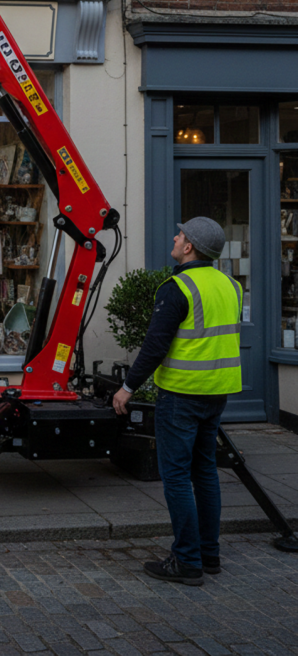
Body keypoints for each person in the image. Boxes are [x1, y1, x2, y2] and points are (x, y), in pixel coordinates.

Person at [112, 216, 242, 585]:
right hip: (218, 392)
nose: (175, 236)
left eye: (181, 234)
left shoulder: (177, 287)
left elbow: (155, 345)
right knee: (205, 472)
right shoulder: (230, 285)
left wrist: (128, 387)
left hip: (182, 394)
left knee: (177, 478)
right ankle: (208, 554)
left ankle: (186, 560)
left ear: (190, 247)